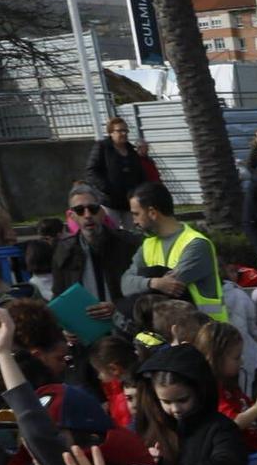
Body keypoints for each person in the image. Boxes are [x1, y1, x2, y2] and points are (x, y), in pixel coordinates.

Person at [125, 181, 225, 322]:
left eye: (136, 214)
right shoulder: (148, 244)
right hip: (175, 331)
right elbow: (125, 284)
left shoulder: (196, 244)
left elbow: (171, 286)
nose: (134, 221)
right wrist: (153, 282)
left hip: (206, 332)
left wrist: (145, 283)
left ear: (153, 213)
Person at [51, 184, 139, 318]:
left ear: (102, 212)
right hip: (85, 328)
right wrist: (66, 327)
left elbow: (142, 291)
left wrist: (118, 307)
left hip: (124, 323)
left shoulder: (127, 243)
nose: (87, 215)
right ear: (72, 216)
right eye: (80, 210)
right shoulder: (63, 249)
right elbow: (58, 296)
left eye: (93, 209)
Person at [84, 116, 150, 212]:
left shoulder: (132, 151)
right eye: (120, 131)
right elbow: (91, 171)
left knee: (131, 227)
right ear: (111, 132)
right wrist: (107, 188)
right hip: (109, 202)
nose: (124, 133)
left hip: (129, 202)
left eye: (126, 131)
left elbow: (140, 173)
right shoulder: (102, 147)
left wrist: (142, 191)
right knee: (112, 227)